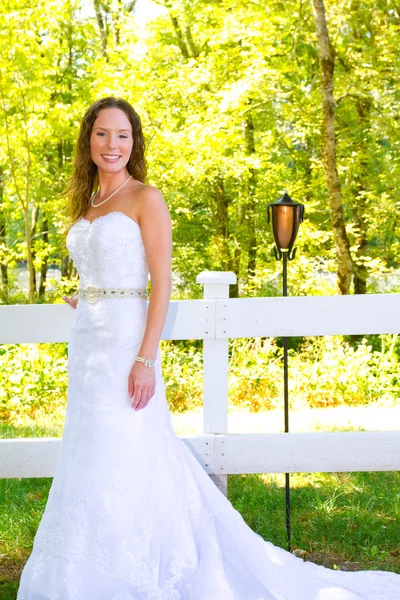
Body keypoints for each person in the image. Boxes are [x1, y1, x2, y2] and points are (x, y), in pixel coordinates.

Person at [17, 96, 400, 600]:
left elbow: (161, 285)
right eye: (103, 134)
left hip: (128, 350)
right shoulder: (88, 203)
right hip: (88, 345)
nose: (113, 144)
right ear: (88, 140)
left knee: (129, 449)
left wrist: (145, 359)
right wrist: (86, 294)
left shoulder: (145, 198)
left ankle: (137, 568)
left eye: (123, 135)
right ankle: (81, 568)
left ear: (134, 143)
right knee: (89, 453)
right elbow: (104, 269)